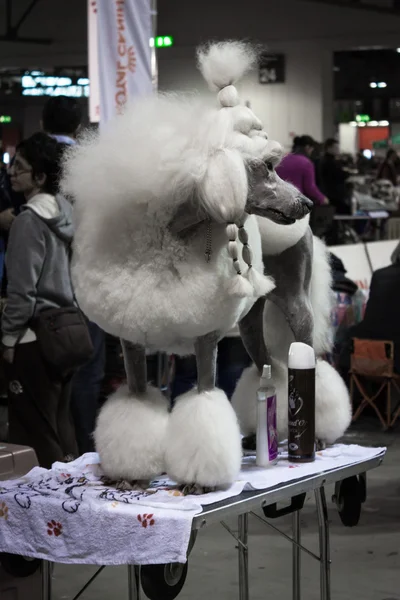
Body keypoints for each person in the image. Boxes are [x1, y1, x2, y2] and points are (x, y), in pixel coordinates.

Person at [1, 132, 78, 467]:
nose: (11, 173)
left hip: (34, 336)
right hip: (68, 330)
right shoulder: (67, 216)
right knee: (61, 423)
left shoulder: (28, 222)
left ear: (41, 177)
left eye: (20, 167)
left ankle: (45, 508)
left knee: (34, 431)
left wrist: (7, 338)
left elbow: (22, 290)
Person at [42, 97, 106, 454]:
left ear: (42, 122)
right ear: (79, 127)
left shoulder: (33, 158)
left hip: (41, 287)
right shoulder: (89, 163)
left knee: (44, 375)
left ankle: (49, 449)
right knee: (87, 369)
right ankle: (83, 450)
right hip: (85, 279)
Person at [338, 241, 400, 377]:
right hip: (393, 360)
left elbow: (372, 317)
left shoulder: (380, 275)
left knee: (346, 337)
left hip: (372, 354)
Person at [276, 135, 329, 205]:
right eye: (312, 150)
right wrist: (322, 199)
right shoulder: (306, 163)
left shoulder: (282, 159)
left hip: (278, 200)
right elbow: (310, 188)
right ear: (307, 147)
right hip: (295, 203)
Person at [319, 138, 351, 214]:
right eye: (336, 147)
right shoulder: (329, 162)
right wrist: (346, 173)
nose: (338, 149)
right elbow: (340, 175)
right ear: (329, 148)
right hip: (334, 196)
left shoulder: (328, 160)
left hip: (332, 194)